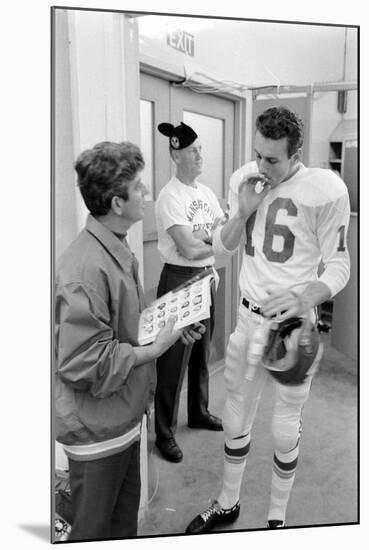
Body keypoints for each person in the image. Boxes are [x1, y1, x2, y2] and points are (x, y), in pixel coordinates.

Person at [185, 105, 351, 533]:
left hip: (292, 328)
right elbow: (221, 252)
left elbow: (339, 265)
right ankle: (227, 502)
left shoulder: (326, 189)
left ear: (296, 154)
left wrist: (304, 296)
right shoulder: (245, 177)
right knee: (236, 415)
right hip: (247, 319)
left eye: (272, 159)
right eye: (257, 154)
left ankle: (276, 517)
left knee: (284, 427)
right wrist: (242, 211)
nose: (262, 165)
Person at [55, 141, 204, 541]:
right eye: (139, 187)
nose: (146, 194)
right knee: (93, 532)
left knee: (121, 528)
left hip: (122, 417)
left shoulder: (115, 247)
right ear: (117, 203)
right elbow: (82, 361)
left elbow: (121, 328)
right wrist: (153, 350)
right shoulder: (85, 268)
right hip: (96, 432)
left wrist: (169, 330)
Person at [153, 122, 226, 463]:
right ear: (175, 154)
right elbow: (188, 249)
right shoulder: (170, 196)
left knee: (201, 352)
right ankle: (164, 433)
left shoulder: (206, 193)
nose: (200, 155)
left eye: (200, 150)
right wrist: (213, 241)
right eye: (193, 150)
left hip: (205, 278)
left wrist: (210, 247)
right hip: (180, 280)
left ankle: (198, 412)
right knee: (172, 360)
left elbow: (222, 235)